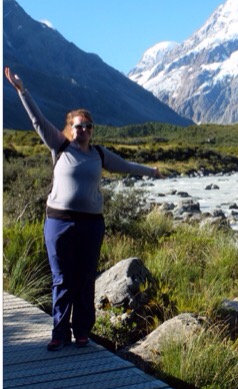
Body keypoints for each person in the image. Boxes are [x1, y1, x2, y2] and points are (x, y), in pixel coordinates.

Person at [5, 66, 163, 351]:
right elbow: (38, 121)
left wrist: (152, 171)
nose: (84, 130)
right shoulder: (60, 146)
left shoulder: (100, 154)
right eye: (79, 126)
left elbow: (126, 166)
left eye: (88, 126)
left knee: (85, 279)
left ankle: (81, 333)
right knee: (62, 278)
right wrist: (22, 90)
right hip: (59, 223)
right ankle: (59, 331)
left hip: (91, 225)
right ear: (70, 128)